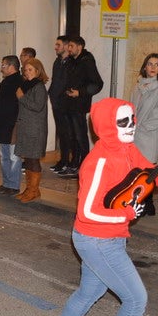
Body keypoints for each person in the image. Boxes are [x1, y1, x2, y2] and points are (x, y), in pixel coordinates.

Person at [46, 97, 158, 316]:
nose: (131, 126)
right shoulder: (98, 161)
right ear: (106, 125)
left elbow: (151, 177)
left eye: (132, 119)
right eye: (123, 121)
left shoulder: (126, 150)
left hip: (110, 237)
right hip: (96, 239)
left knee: (90, 292)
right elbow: (86, 212)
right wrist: (124, 215)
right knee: (136, 299)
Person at [129, 53, 158, 216]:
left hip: (150, 136)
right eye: (150, 64)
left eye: (157, 64)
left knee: (147, 171)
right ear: (145, 67)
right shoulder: (137, 87)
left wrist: (140, 126)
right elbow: (131, 108)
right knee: (135, 171)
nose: (153, 67)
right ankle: (140, 202)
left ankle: (148, 203)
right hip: (135, 134)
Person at [58, 36, 103, 178]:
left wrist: (80, 92)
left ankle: (84, 166)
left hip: (79, 106)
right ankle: (73, 164)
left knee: (80, 137)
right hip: (68, 104)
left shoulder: (87, 61)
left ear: (80, 47)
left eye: (71, 46)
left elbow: (97, 83)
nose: (68, 49)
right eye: (68, 46)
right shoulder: (71, 61)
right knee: (71, 136)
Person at [15, 58, 49, 202]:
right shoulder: (27, 85)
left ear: (37, 70)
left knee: (34, 160)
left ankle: (33, 190)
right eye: (25, 70)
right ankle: (30, 189)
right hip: (26, 128)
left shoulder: (39, 86)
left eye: (30, 70)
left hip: (35, 130)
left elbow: (37, 106)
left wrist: (22, 98)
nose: (27, 72)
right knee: (28, 159)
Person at [0, 55, 22, 195]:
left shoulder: (19, 81)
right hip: (2, 124)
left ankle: (14, 185)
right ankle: (6, 183)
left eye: (3, 66)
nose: (1, 68)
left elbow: (19, 104)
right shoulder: (6, 82)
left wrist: (13, 121)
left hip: (12, 125)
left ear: (11, 66)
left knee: (14, 157)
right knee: (4, 156)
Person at [48, 36, 71, 173]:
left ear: (66, 46)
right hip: (56, 102)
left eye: (58, 44)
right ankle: (62, 160)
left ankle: (68, 162)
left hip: (66, 103)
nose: (55, 47)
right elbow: (55, 80)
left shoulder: (71, 63)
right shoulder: (57, 62)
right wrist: (51, 93)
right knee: (61, 133)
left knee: (68, 134)